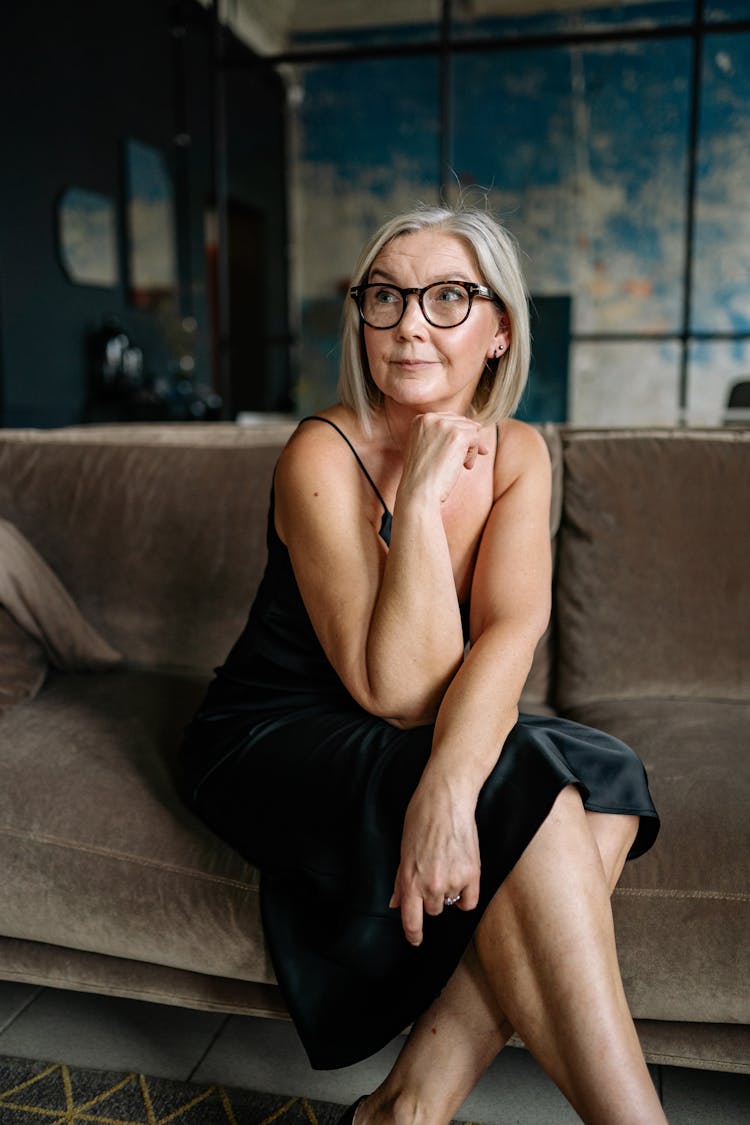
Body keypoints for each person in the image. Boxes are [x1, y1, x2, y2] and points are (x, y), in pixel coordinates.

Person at [180, 205, 664, 1125]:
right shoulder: (319, 452)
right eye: (386, 297)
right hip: (277, 730)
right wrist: (426, 488)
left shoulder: (521, 449)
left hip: (400, 729)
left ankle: (406, 1109)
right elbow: (395, 687)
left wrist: (447, 784)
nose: (410, 322)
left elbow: (510, 632)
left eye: (448, 297)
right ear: (359, 318)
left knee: (608, 773)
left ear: (499, 330)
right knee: (533, 776)